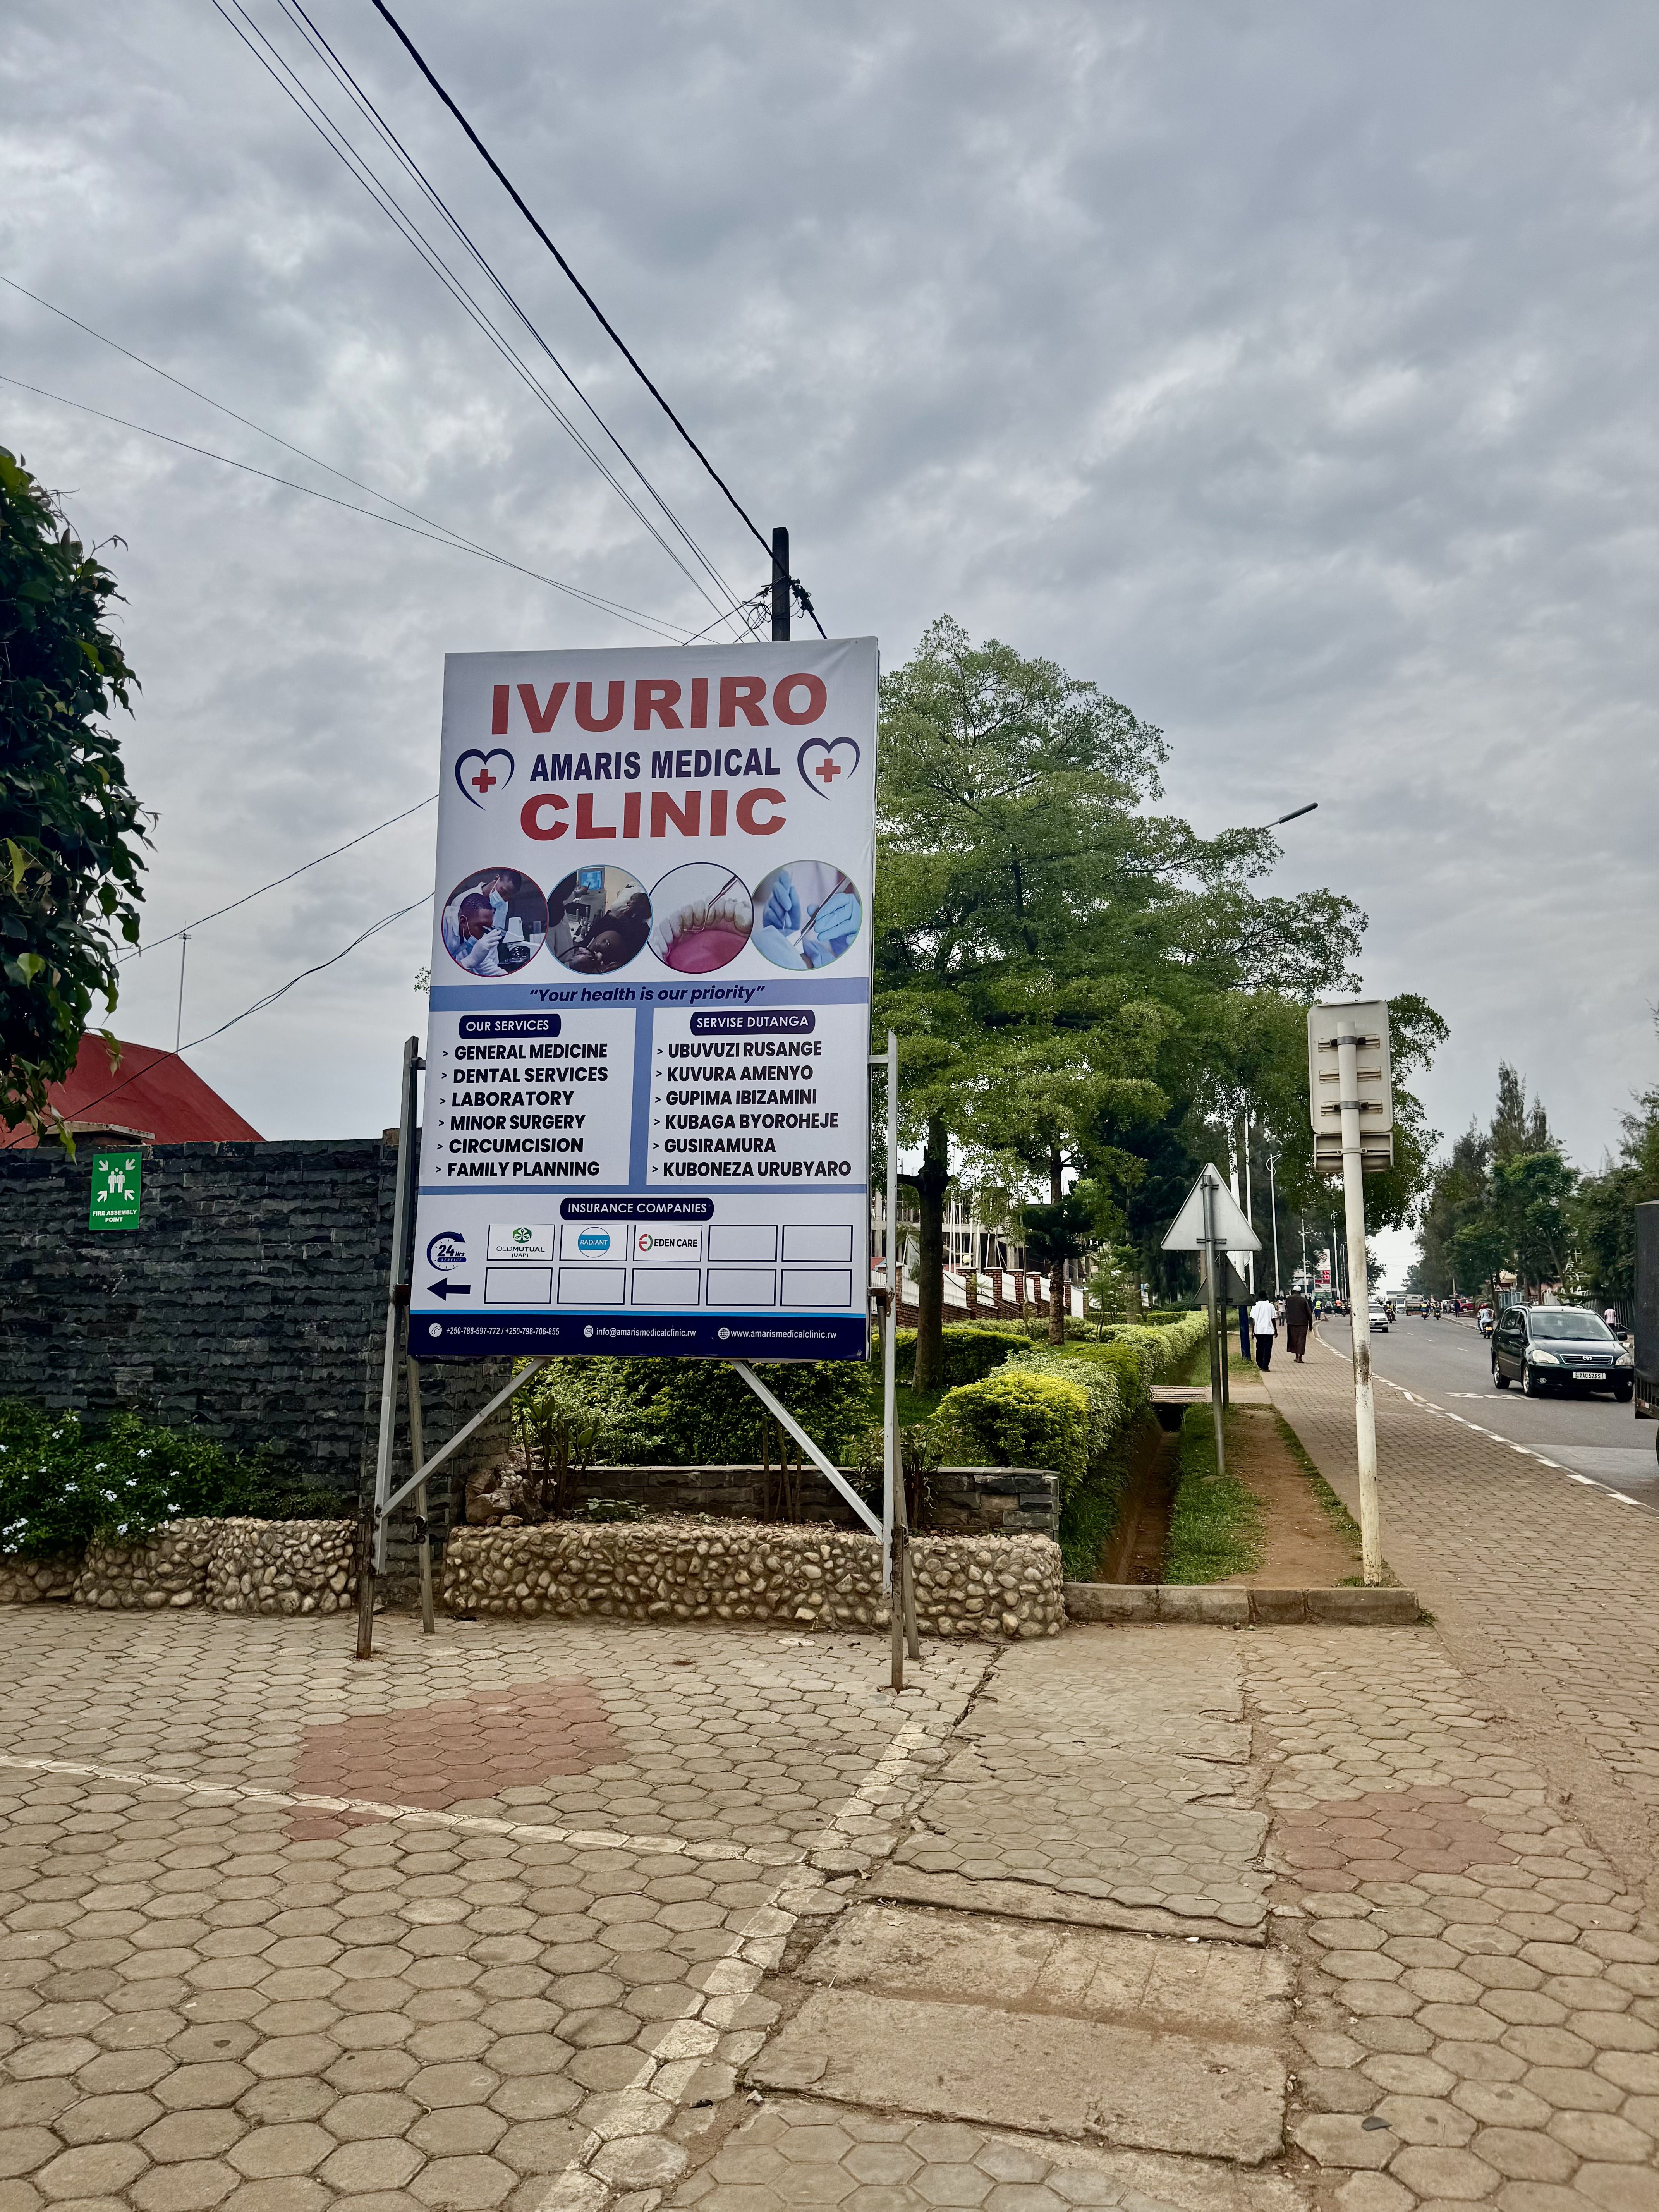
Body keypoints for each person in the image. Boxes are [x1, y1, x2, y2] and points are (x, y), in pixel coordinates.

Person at [1283, 1286, 1312, 1363]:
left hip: (1291, 1322)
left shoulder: (1289, 1299)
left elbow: (1287, 1309)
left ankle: (1296, 1356)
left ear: (1293, 1291)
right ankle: (1300, 1358)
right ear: (1300, 1292)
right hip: (1303, 1323)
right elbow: (1309, 1312)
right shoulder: (1303, 1300)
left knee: (1294, 1340)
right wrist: (1311, 1324)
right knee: (1301, 1340)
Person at [1250, 1293, 1278, 1370]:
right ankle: (1265, 1366)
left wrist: (1253, 1331)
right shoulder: (1271, 1306)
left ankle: (1260, 1364)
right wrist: (1276, 1330)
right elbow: (1273, 1319)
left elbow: (1253, 1320)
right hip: (1269, 1331)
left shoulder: (1255, 1306)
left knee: (1259, 1348)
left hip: (1259, 1330)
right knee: (1267, 1349)